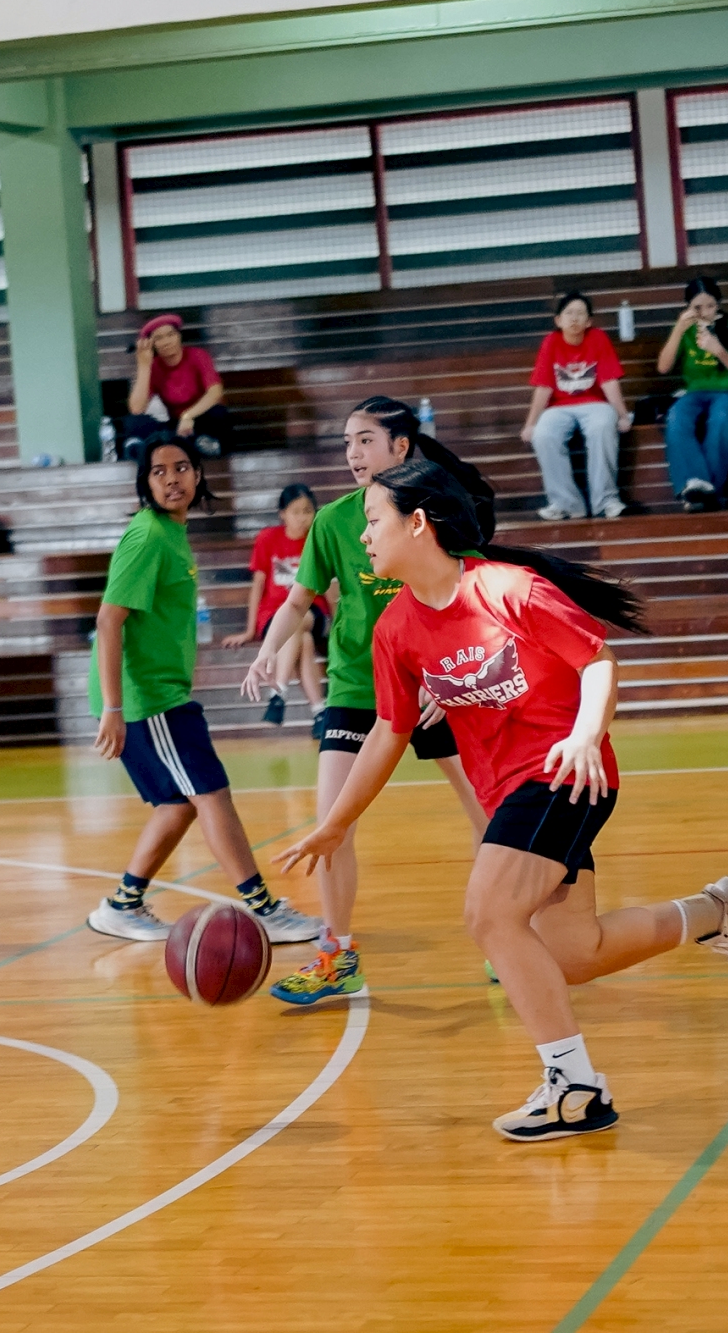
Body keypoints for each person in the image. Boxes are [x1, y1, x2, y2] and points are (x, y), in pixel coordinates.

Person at [277, 458, 728, 1140]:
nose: (362, 536)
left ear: (417, 524)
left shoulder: (509, 589)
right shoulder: (396, 629)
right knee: (574, 954)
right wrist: (336, 824)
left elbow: (597, 662)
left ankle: (576, 1088)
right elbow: (390, 732)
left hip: (563, 775)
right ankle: (717, 910)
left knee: (489, 913)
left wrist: (586, 735)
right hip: (510, 792)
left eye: (373, 520)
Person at [242, 396, 493, 1005]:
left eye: (366, 440)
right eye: (347, 442)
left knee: (489, 815)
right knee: (333, 822)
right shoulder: (333, 522)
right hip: (359, 685)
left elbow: (477, 596)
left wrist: (454, 677)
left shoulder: (439, 509)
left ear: (400, 447)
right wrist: (267, 650)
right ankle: (337, 954)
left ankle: (504, 933)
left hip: (438, 685)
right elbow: (298, 601)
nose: (353, 453)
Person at [83, 434, 322, 946]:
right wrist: (113, 707)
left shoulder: (171, 532)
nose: (172, 479)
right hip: (147, 698)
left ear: (198, 474)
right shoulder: (147, 537)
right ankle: (263, 909)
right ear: (145, 483)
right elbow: (107, 620)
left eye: (181, 467)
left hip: (157, 693)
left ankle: (122, 904)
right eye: (159, 471)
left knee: (178, 803)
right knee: (211, 794)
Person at [222, 483, 328, 729]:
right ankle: (319, 713)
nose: (302, 517)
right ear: (282, 514)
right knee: (303, 639)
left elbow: (330, 588)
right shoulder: (268, 538)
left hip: (312, 611)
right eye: (295, 511)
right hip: (273, 614)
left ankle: (278, 692)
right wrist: (250, 631)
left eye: (307, 511)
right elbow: (258, 586)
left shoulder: (317, 539)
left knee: (297, 620)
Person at [520, 290, 632, 521]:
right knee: (543, 434)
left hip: (595, 404)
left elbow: (609, 381)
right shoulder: (551, 342)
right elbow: (543, 387)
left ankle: (606, 501)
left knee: (602, 426)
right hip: (558, 407)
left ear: (589, 321)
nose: (574, 318)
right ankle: (566, 504)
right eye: (569, 313)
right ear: (558, 320)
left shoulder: (598, 338)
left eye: (580, 313)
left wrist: (622, 416)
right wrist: (531, 424)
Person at [655, 275, 728, 510]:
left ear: (718, 304)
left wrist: (719, 351)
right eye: (698, 308)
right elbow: (663, 367)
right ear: (688, 308)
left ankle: (705, 492)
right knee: (676, 418)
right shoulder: (685, 329)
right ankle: (697, 484)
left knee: (720, 419)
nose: (705, 312)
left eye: (710, 306)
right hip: (694, 392)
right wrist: (679, 329)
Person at [124, 314, 229, 459]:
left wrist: (188, 416)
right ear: (151, 343)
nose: (166, 341)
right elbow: (136, 408)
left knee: (218, 413)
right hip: (177, 426)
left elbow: (215, 392)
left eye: (171, 335)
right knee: (135, 422)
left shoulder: (198, 355)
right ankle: (144, 449)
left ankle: (205, 445)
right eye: (159, 338)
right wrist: (144, 366)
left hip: (201, 419)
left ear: (179, 336)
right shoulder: (154, 366)